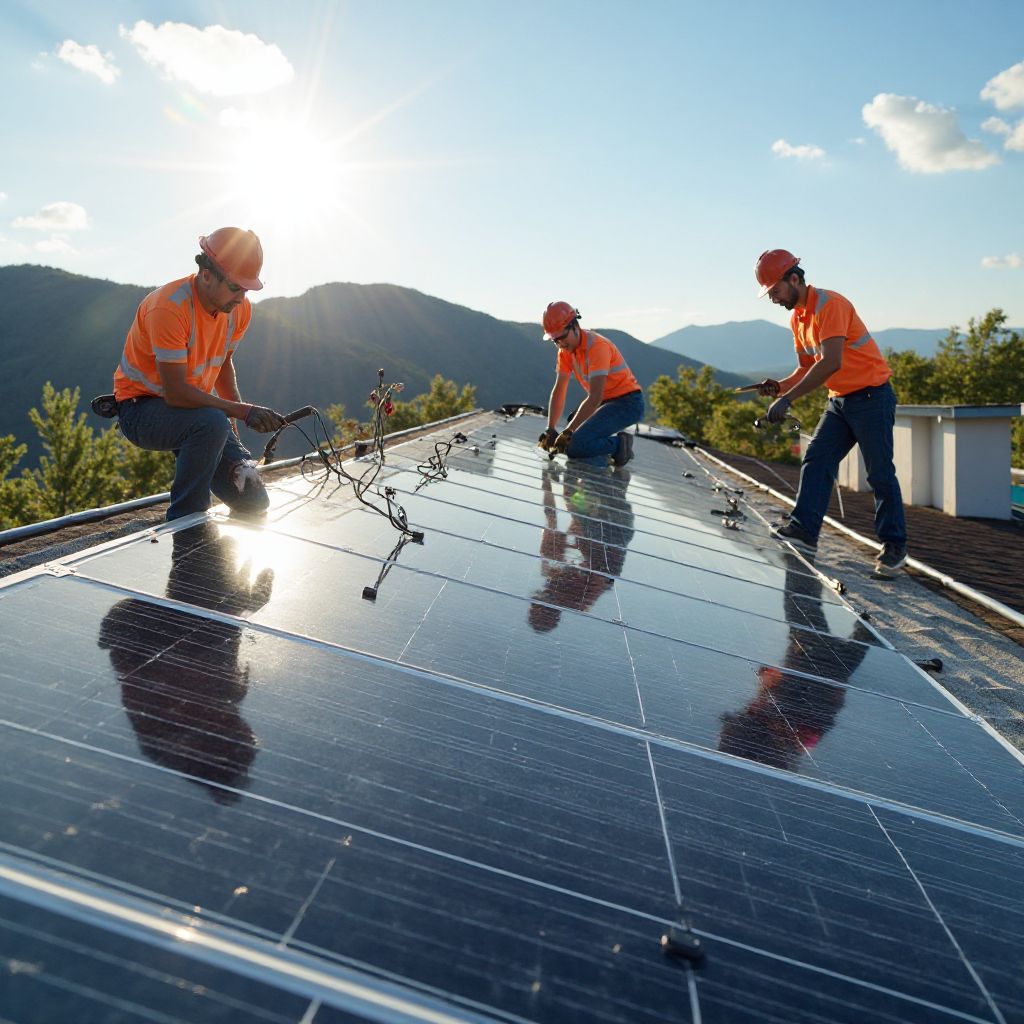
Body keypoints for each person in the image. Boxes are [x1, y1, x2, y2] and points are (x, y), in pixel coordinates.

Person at [750, 250, 908, 577]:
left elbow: (831, 362)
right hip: (840, 400)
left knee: (879, 473)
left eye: (775, 291)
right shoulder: (797, 319)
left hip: (872, 396)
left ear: (794, 279)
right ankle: (804, 531)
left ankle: (895, 547)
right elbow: (805, 369)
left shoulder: (830, 305)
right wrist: (779, 387)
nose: (774, 299)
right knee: (816, 459)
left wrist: (788, 399)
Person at [112, 227, 286, 521]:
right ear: (206, 275)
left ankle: (214, 449)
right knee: (210, 423)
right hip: (141, 411)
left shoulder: (238, 309)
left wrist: (232, 428)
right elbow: (176, 393)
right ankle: (186, 521)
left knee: (252, 499)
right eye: (235, 287)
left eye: (247, 289)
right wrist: (242, 411)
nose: (241, 297)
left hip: (198, 413)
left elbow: (224, 364)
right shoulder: (169, 308)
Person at [537, 301, 644, 468]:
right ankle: (598, 444)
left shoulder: (597, 347)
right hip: (606, 404)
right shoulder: (565, 352)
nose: (560, 344)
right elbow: (559, 390)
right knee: (574, 423)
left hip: (628, 404)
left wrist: (568, 432)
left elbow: (594, 398)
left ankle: (620, 445)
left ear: (575, 326)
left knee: (575, 445)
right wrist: (550, 429)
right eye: (555, 340)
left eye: (562, 337)